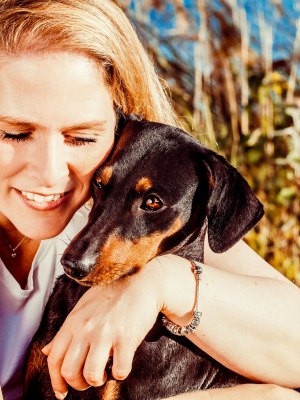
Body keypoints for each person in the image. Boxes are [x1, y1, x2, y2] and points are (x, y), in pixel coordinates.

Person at [0, 1, 299, 400]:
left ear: (125, 128)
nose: (52, 173)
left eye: (83, 137)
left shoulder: (102, 197)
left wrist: (163, 282)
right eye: (14, 134)